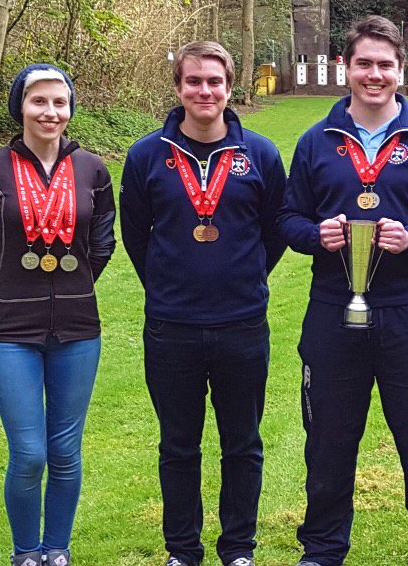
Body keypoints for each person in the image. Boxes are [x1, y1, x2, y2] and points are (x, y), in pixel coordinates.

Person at [280, 15, 408, 566]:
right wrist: (316, 236)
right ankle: (322, 549)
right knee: (329, 439)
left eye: (385, 65)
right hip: (333, 310)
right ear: (345, 67)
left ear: (400, 69)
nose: (374, 74)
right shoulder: (316, 142)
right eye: (364, 63)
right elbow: (288, 219)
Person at [119, 41, 288, 566]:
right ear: (178, 88)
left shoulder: (259, 155)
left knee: (243, 444)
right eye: (193, 81)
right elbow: (135, 236)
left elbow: (275, 232)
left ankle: (238, 549)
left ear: (229, 87)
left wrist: (243, 278)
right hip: (172, 327)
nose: (204, 91)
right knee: (178, 446)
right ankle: (182, 551)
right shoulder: (147, 156)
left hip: (241, 325)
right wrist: (170, 285)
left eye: (214, 81)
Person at [0, 64, 116, 566]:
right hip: (6, 333)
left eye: (60, 102)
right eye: (38, 101)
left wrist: (73, 288)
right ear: (19, 104)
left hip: (79, 331)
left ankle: (57, 551)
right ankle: (26, 552)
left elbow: (103, 245)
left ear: (71, 107)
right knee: (30, 452)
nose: (50, 111)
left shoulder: (93, 169)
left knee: (65, 452)